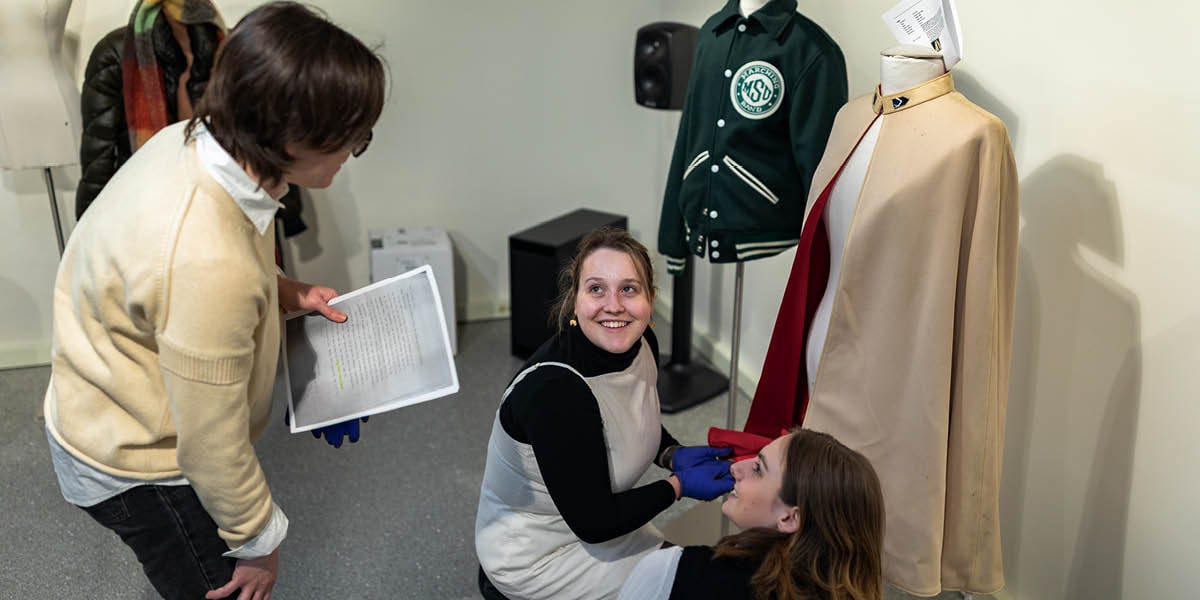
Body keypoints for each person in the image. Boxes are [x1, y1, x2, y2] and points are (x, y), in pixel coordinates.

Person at [42, 3, 385, 599]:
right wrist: (257, 543)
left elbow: (191, 271)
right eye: (352, 139)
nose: (355, 150)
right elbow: (210, 445)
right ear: (291, 135)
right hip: (140, 461)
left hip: (108, 400)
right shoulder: (204, 259)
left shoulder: (194, 142)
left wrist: (284, 289)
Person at [475, 227, 735, 600]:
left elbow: (626, 414)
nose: (613, 306)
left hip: (600, 519)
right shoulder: (555, 391)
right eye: (596, 289)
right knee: (693, 585)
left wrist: (670, 453)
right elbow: (595, 522)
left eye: (629, 289)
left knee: (696, 574)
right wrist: (678, 486)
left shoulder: (641, 343)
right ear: (575, 301)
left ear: (650, 299)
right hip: (539, 554)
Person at [620, 429, 885, 600]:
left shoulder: (672, 570)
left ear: (790, 518)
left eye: (758, 469)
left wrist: (674, 486)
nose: (736, 468)